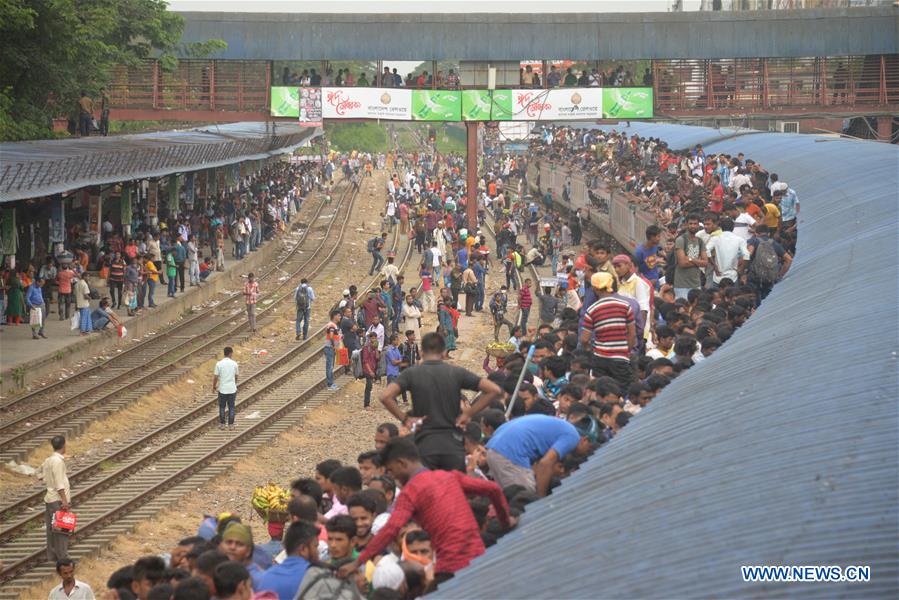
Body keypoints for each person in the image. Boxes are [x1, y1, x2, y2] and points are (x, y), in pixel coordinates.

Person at [338, 437, 512, 583]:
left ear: (401, 463)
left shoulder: (410, 493)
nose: (392, 476)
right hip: (479, 556)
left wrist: (357, 562)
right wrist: (506, 522)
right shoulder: (449, 476)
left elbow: (391, 529)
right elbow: (493, 490)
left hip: (452, 567)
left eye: (391, 470)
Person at [378, 332, 502, 472]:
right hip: (452, 444)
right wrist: (468, 414)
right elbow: (494, 390)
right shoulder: (456, 372)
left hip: (425, 444)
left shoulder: (412, 373)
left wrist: (405, 419)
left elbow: (385, 396)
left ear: (421, 352)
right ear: (443, 352)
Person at [485, 414, 596, 497]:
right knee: (526, 499)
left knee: (510, 500)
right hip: (509, 452)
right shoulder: (573, 436)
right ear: (585, 440)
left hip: (494, 448)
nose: (586, 452)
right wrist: (540, 499)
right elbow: (545, 463)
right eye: (589, 447)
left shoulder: (562, 427)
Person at [580, 272, 636, 393]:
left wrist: (590, 349)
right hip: (620, 357)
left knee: (601, 391)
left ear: (595, 288)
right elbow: (632, 335)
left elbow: (584, 339)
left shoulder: (592, 310)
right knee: (621, 391)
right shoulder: (625, 306)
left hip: (600, 358)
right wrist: (626, 351)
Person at [256, 521, 319, 600]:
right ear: (303, 549)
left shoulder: (265, 578)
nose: (318, 552)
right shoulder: (317, 577)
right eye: (316, 547)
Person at [42, 435, 71, 562]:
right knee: (61, 530)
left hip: (49, 499)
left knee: (51, 530)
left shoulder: (48, 460)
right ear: (64, 445)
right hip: (58, 500)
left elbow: (39, 475)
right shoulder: (58, 462)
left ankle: (52, 556)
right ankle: (63, 557)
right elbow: (59, 484)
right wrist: (64, 501)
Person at [673, 214, 708, 300]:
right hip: (682, 285)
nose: (693, 226)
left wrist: (690, 259)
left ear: (698, 225)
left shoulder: (700, 241)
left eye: (695, 224)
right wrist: (698, 262)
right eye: (690, 223)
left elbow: (705, 263)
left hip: (696, 284)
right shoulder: (681, 240)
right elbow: (682, 263)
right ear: (686, 225)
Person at [213, 347, 239, 428]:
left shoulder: (219, 364)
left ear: (224, 353)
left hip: (222, 389)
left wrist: (214, 386)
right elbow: (236, 376)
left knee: (222, 407)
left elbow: (216, 377)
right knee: (231, 407)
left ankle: (222, 424)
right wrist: (234, 383)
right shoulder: (234, 363)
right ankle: (231, 424)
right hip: (232, 389)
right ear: (230, 353)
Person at [361, 332, 381, 409]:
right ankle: (366, 404)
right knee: (369, 386)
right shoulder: (366, 347)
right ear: (369, 339)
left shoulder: (374, 347)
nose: (374, 340)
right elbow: (365, 361)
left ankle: (367, 404)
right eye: (372, 338)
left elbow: (377, 358)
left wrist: (376, 349)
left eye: (375, 338)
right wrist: (370, 371)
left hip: (373, 368)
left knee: (370, 386)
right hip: (367, 369)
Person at [324, 310, 342, 391]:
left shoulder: (333, 325)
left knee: (330, 366)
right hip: (330, 348)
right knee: (330, 366)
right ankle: (330, 384)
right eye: (339, 315)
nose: (340, 317)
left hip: (330, 348)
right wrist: (334, 345)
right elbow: (331, 336)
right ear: (335, 316)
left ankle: (331, 383)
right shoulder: (332, 325)